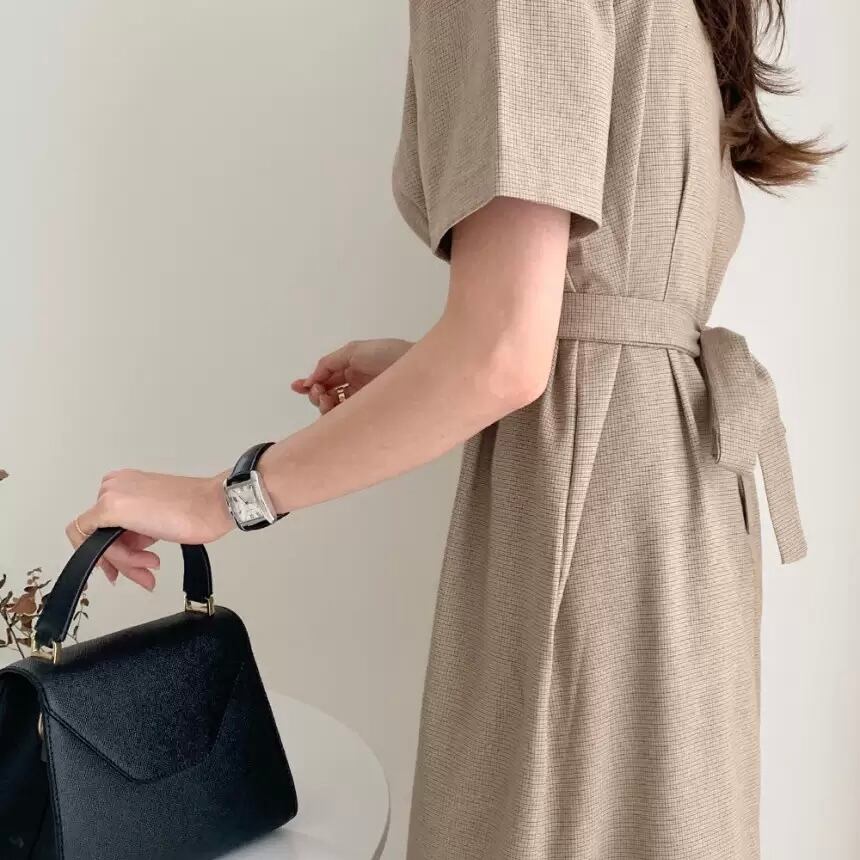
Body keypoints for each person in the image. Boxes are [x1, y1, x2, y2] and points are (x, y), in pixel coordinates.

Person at [68, 0, 838, 857]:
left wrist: (223, 499)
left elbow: (503, 355)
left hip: (598, 533)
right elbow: (573, 326)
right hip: (672, 513)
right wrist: (430, 367)